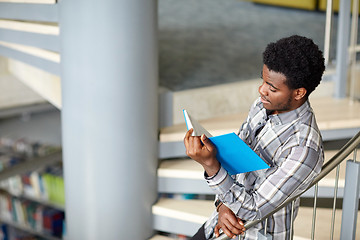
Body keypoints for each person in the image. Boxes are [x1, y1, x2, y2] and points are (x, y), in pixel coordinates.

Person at [184, 35, 325, 239]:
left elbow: (254, 209)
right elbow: (233, 160)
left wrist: (211, 166)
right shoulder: (262, 106)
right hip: (218, 226)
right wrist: (222, 205)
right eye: (263, 81)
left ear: (299, 93)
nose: (261, 90)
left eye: (272, 88)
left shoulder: (304, 150)